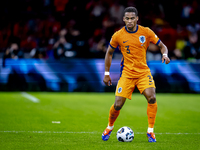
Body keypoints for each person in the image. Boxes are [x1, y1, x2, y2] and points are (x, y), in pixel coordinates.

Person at [102, 7, 170, 142]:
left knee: (152, 97)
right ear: (123, 19)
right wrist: (107, 73)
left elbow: (163, 46)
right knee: (117, 105)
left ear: (137, 19)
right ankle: (109, 127)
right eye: (127, 18)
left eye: (132, 18)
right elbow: (109, 53)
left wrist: (165, 55)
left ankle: (150, 131)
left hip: (143, 73)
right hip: (126, 74)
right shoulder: (118, 35)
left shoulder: (146, 32)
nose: (129, 21)